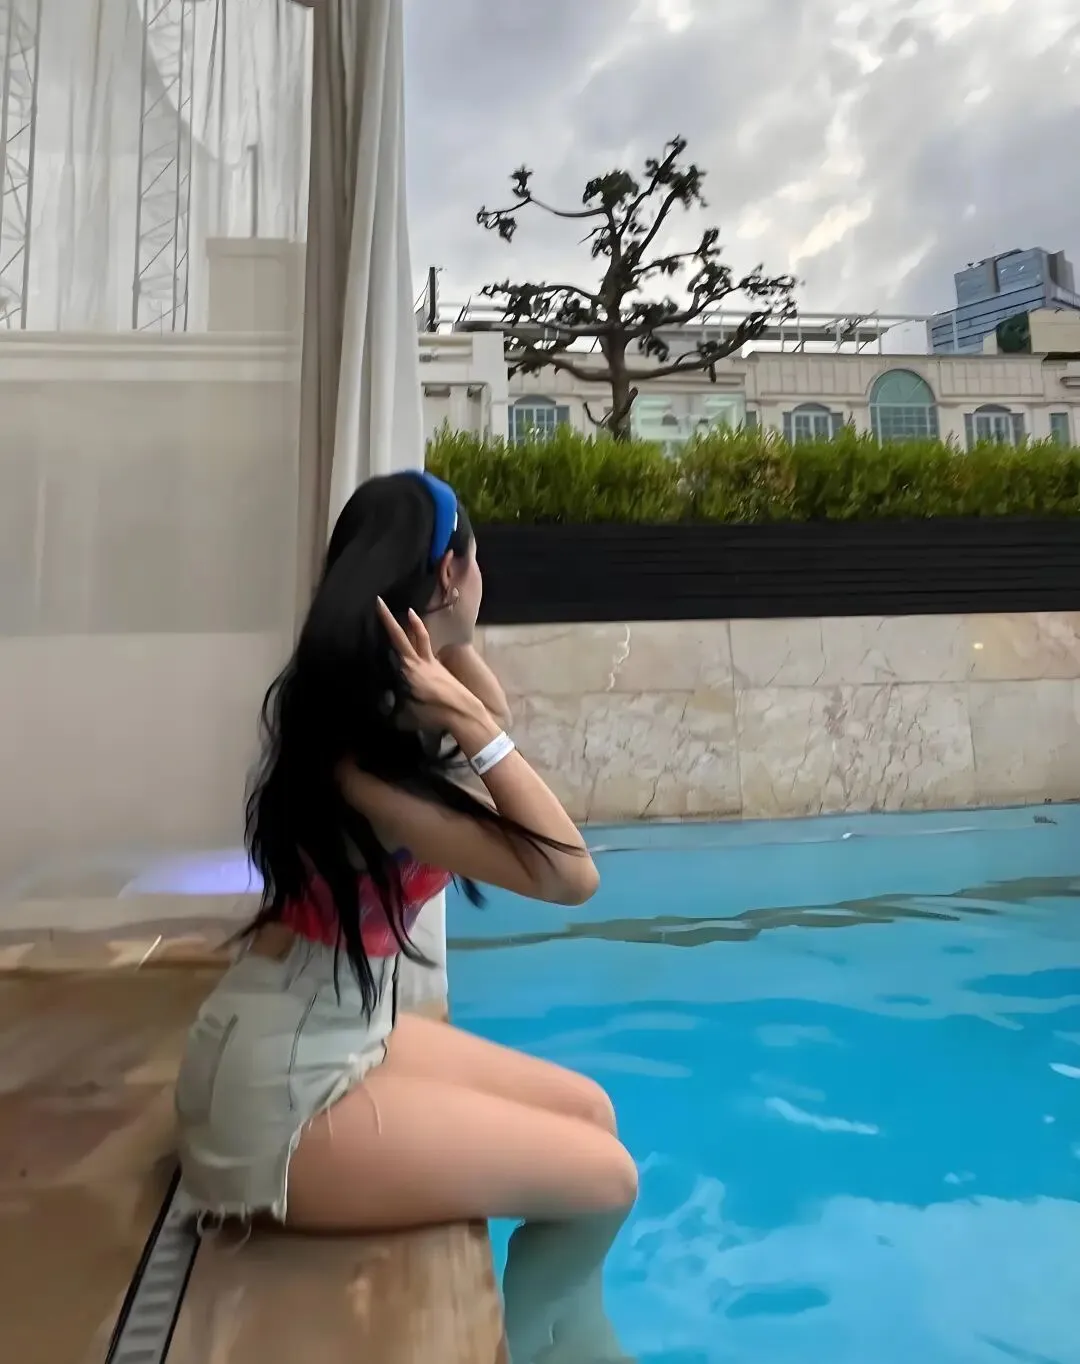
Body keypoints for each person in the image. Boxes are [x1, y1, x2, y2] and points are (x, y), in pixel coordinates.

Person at [174, 470, 638, 1361]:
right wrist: (464, 710)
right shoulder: (370, 768)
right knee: (607, 1180)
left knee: (593, 1111)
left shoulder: (371, 713)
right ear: (452, 576)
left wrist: (446, 658)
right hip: (278, 1102)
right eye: (474, 556)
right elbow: (570, 875)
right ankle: (543, 1346)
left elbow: (491, 709)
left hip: (324, 1032)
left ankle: (564, 1335)